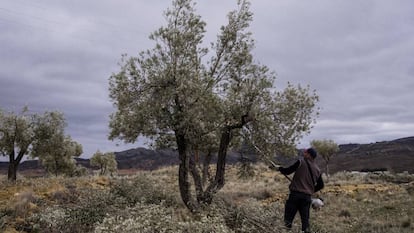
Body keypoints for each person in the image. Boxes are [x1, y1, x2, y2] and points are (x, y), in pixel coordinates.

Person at [278, 148, 324, 233]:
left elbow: (287, 171)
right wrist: (310, 190)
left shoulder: (300, 162)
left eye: (306, 152)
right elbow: (321, 185)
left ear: (309, 155)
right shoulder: (318, 170)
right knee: (305, 222)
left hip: (295, 195)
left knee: (288, 220)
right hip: (306, 198)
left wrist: (280, 169)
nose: (304, 153)